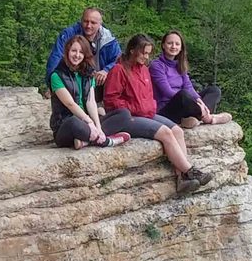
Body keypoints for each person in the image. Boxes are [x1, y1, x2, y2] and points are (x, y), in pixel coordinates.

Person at [104, 34, 210, 195]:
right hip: (128, 117)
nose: (146, 57)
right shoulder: (119, 70)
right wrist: (135, 107)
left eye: (148, 54)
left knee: (177, 131)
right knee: (166, 133)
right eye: (143, 53)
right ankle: (190, 171)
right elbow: (111, 100)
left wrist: (150, 105)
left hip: (147, 113)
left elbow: (149, 95)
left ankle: (182, 178)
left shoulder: (144, 70)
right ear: (132, 50)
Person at [49, 35, 130, 150]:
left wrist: (97, 126)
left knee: (124, 114)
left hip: (87, 123)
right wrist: (89, 122)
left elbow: (90, 101)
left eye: (81, 52)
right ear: (67, 51)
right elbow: (70, 104)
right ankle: (106, 141)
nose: (77, 55)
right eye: (74, 51)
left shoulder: (88, 74)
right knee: (74, 123)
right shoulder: (57, 76)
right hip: (66, 125)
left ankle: (87, 140)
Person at [150, 30, 232, 128]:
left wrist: (200, 101)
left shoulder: (179, 65)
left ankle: (193, 118)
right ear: (163, 45)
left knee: (214, 90)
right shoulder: (157, 65)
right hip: (167, 108)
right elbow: (167, 91)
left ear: (181, 48)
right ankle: (208, 118)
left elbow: (188, 86)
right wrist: (193, 102)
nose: (173, 46)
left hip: (186, 103)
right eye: (170, 43)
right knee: (183, 95)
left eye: (177, 44)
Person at [45, 8, 121, 87]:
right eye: (85, 21)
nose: (88, 25)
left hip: (101, 81)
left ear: (100, 23)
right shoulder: (69, 34)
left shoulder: (108, 39)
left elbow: (119, 60)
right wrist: (52, 82)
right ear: (81, 20)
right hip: (73, 78)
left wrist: (106, 70)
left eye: (93, 23)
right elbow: (56, 56)